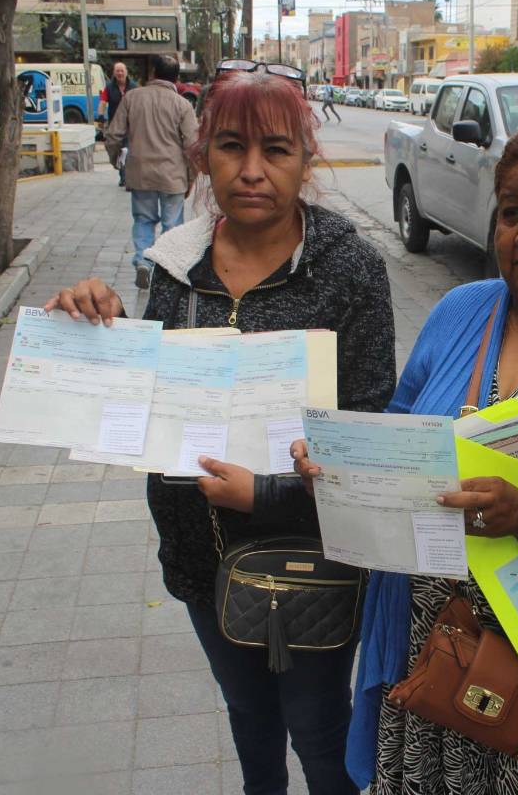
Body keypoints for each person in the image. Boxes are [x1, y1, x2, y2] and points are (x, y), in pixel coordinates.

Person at [45, 71, 396, 795]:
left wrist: (265, 496)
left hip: (310, 563)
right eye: (232, 147)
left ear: (307, 159)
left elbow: (368, 436)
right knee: (248, 719)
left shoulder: (352, 270)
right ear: (202, 156)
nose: (253, 170)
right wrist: (98, 325)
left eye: (276, 149)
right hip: (199, 556)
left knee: (320, 733)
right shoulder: (175, 264)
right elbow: (150, 392)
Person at [293, 115, 518, 794]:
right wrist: (342, 468)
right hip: (425, 650)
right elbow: (402, 431)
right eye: (512, 212)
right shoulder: (461, 310)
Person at [105, 54, 198, 290]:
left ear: (152, 73)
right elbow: (193, 145)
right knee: (172, 224)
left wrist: (116, 160)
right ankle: (168, 269)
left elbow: (113, 134)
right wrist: (192, 177)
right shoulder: (182, 105)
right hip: (173, 175)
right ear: (176, 78)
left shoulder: (133, 98)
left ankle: (144, 261)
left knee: (143, 219)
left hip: (141, 173)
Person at [98, 61, 138, 187]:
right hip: (115, 125)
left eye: (122, 70)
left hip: (131, 124)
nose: (120, 73)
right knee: (119, 150)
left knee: (128, 150)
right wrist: (100, 116)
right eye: (117, 71)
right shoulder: (109, 87)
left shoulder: (134, 87)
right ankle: (122, 175)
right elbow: (103, 102)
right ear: (114, 73)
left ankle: (127, 177)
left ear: (126, 72)